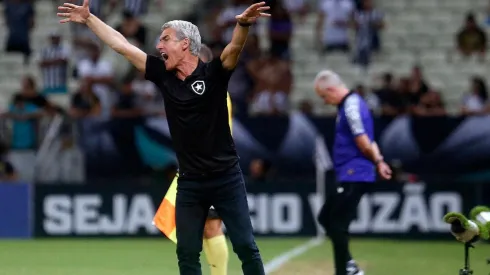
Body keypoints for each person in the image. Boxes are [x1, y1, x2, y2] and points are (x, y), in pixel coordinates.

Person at [56, 1, 270, 275]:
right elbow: (121, 45)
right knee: (187, 253)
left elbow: (234, 49)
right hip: (190, 182)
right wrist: (89, 19)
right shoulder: (163, 75)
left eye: (165, 39)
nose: (159, 46)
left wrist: (242, 25)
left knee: (245, 246)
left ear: (185, 44)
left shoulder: (214, 74)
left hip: (226, 177)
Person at [154, 44, 232, 275]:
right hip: (199, 168)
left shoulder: (211, 90)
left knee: (211, 226)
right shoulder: (205, 90)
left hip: (211, 169)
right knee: (204, 227)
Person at [313, 70, 392, 275]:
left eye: (324, 96)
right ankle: (349, 267)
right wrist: (379, 161)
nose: (325, 101)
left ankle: (344, 271)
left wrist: (377, 161)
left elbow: (362, 141)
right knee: (326, 218)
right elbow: (369, 139)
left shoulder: (351, 106)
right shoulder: (352, 104)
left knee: (337, 225)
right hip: (350, 172)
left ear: (331, 89)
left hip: (353, 173)